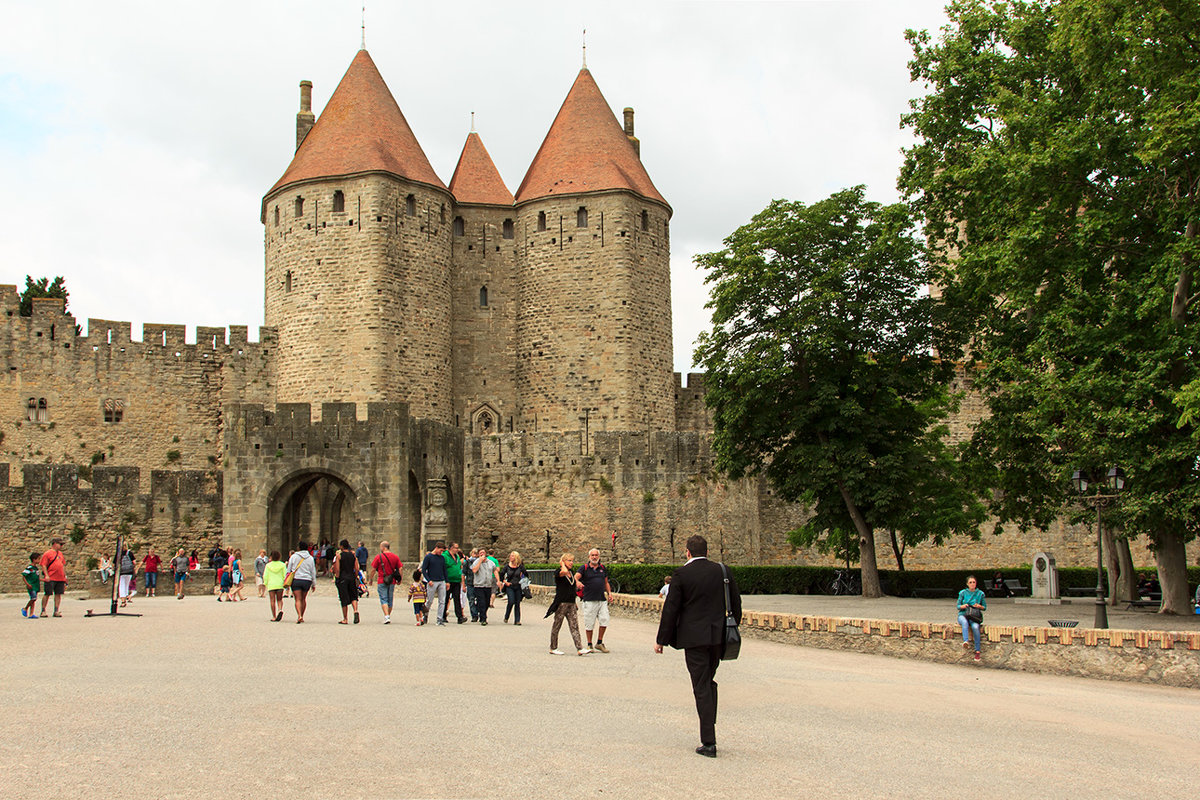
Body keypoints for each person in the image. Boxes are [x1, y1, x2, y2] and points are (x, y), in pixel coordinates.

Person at [655, 534, 741, 759]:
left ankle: (709, 742)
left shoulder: (682, 574)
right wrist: (730, 628)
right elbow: (736, 605)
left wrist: (661, 640)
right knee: (708, 681)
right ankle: (709, 722)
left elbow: (671, 609)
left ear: (687, 552)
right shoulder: (723, 571)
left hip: (694, 640)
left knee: (701, 685)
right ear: (707, 551)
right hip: (718, 637)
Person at [545, 552, 587, 656]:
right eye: (569, 560)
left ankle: (579, 647)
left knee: (574, 625)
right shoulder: (559, 572)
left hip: (571, 602)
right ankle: (553, 647)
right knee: (557, 625)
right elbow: (563, 572)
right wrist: (562, 564)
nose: (571, 563)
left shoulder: (571, 572)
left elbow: (571, 587)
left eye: (572, 560)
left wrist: (575, 600)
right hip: (561, 603)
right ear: (563, 561)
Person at [576, 548, 613, 652]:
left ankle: (600, 643)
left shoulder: (602, 568)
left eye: (596, 555)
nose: (594, 557)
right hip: (589, 599)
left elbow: (606, 582)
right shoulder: (584, 568)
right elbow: (575, 577)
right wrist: (577, 582)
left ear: (599, 557)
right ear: (589, 557)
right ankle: (589, 644)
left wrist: (609, 593)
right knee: (589, 622)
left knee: (605, 620)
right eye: (592, 555)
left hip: (601, 599)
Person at [369, 540, 403, 624]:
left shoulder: (379, 557)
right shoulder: (395, 557)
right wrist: (400, 579)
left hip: (382, 580)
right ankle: (387, 615)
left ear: (383, 547)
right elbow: (400, 568)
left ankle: (387, 616)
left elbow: (373, 569)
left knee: (383, 598)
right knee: (390, 599)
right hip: (392, 580)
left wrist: (370, 579)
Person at [957, 574, 987, 662]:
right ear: (967, 584)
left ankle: (977, 651)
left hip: (974, 616)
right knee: (965, 623)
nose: (972, 584)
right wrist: (963, 606)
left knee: (975, 627)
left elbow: (984, 607)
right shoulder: (963, 593)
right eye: (970, 582)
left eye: (974, 582)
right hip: (964, 614)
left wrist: (979, 606)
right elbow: (958, 606)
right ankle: (966, 641)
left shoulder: (980, 594)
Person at [469, 546, 500, 625]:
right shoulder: (476, 562)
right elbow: (474, 570)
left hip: (488, 585)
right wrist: (480, 561)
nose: (482, 554)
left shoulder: (490, 562)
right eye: (480, 553)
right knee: (481, 601)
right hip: (479, 585)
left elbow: (495, 571)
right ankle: (483, 618)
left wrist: (498, 580)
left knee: (486, 603)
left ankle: (481, 612)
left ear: (485, 553)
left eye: (483, 552)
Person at [286, 542, 316, 623]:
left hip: (296, 579)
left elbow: (289, 570)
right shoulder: (310, 558)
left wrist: (287, 580)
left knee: (298, 599)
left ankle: (299, 615)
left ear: (299, 548)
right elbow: (313, 571)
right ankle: (302, 615)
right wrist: (314, 583)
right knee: (303, 599)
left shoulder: (294, 557)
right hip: (307, 580)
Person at [420, 541, 448, 626]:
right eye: (441, 551)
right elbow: (424, 570)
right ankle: (425, 614)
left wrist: (447, 581)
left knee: (442, 601)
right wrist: (428, 580)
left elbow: (444, 570)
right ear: (436, 548)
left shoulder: (442, 558)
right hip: (432, 581)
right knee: (430, 600)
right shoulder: (428, 557)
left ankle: (439, 619)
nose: (441, 553)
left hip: (441, 580)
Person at [333, 539, 361, 624]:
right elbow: (357, 568)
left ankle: (345, 618)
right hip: (351, 577)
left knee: (343, 598)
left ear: (341, 546)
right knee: (353, 596)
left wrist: (337, 578)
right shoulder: (353, 555)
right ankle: (355, 610)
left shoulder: (339, 556)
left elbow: (337, 569)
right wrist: (356, 575)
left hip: (343, 578)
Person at [38, 536, 67, 618]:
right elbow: (43, 565)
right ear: (54, 544)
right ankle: (43, 610)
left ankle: (56, 610)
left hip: (60, 577)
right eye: (60, 544)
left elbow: (62, 565)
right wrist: (46, 575)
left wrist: (65, 576)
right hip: (51, 577)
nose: (61, 546)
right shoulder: (47, 553)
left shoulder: (60, 554)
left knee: (58, 594)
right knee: (47, 593)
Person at [499, 551, 528, 625]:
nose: (510, 557)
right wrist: (505, 582)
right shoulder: (507, 566)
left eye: (512, 556)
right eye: (510, 556)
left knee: (517, 603)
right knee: (511, 601)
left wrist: (522, 580)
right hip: (510, 586)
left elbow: (526, 575)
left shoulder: (520, 567)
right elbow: (501, 575)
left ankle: (517, 620)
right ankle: (507, 616)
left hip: (518, 586)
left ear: (516, 557)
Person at [442, 542, 467, 624]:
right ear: (451, 548)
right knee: (446, 599)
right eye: (456, 548)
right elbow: (443, 568)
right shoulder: (445, 556)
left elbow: (460, 567)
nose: (457, 549)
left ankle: (459, 617)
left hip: (456, 580)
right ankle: (443, 616)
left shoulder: (457, 556)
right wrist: (445, 581)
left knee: (457, 599)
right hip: (448, 581)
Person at [264, 550, 286, 621]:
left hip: (271, 584)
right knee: (279, 599)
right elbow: (284, 575)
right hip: (280, 584)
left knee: (272, 600)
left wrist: (266, 583)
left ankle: (274, 616)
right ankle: (280, 609)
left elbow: (265, 575)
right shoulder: (282, 565)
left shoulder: (268, 565)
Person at [22, 553, 40, 618]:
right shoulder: (29, 568)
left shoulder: (36, 568)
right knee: (33, 598)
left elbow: (36, 577)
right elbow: (24, 576)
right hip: (31, 586)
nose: (39, 560)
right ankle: (25, 608)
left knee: (34, 599)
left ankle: (31, 613)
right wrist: (27, 584)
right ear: (34, 559)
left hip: (36, 586)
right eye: (38, 559)